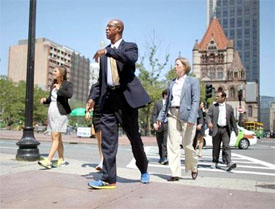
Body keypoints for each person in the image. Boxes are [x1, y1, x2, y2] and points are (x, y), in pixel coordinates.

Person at [86, 19, 152, 189]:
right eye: (106, 26)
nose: (106, 29)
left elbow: (130, 59)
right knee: (108, 141)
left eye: (109, 26)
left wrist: (108, 51)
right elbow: (101, 80)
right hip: (108, 100)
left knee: (134, 139)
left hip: (126, 100)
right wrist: (92, 98)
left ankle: (143, 169)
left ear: (119, 29)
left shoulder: (130, 47)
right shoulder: (104, 55)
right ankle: (109, 178)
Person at [157, 57, 200, 181]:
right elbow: (167, 101)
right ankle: (175, 173)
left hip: (187, 115)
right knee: (172, 144)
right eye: (175, 65)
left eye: (177, 65)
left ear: (184, 67)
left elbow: (195, 100)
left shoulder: (192, 81)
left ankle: (194, 166)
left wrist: (192, 118)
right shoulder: (172, 82)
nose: (175, 67)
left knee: (187, 144)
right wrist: (161, 116)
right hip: (172, 113)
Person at [38, 66, 73, 169]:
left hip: (61, 113)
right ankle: (61, 159)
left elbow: (69, 95)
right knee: (58, 138)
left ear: (61, 73)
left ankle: (48, 160)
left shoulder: (67, 84)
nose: (53, 72)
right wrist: (45, 100)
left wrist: (60, 89)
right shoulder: (53, 84)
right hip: (52, 111)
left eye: (55, 71)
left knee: (55, 136)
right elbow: (51, 99)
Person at [206, 91, 238, 171]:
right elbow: (208, 116)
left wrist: (236, 130)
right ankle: (215, 161)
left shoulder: (229, 108)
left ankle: (228, 163)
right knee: (216, 147)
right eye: (216, 96)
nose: (216, 98)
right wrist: (209, 122)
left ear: (223, 97)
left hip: (225, 129)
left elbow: (232, 120)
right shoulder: (212, 106)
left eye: (218, 96)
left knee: (226, 146)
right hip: (216, 129)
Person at [85, 82, 104, 171]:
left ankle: (104, 162)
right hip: (97, 114)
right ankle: (102, 160)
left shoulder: (111, 85)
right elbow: (89, 100)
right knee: (100, 140)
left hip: (107, 114)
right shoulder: (95, 86)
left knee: (105, 139)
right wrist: (87, 112)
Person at [151, 89, 168, 165]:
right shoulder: (158, 103)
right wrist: (154, 123)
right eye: (167, 95)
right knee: (159, 142)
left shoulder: (171, 104)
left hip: (167, 125)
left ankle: (165, 157)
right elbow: (154, 114)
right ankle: (161, 157)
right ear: (164, 95)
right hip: (159, 125)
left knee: (165, 142)